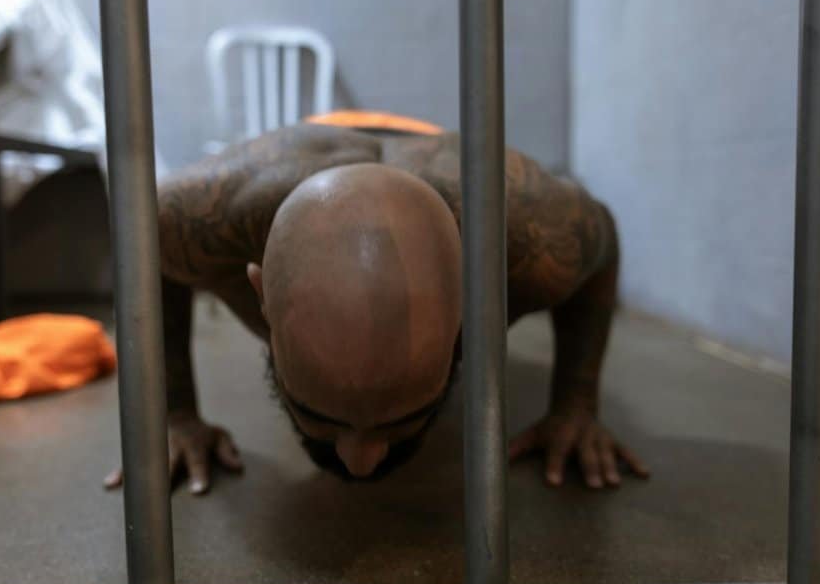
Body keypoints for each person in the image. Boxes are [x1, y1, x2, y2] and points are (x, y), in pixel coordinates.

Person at [104, 117, 649, 494]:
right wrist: (174, 413)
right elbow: (145, 259)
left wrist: (576, 404)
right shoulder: (197, 216)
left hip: (432, 146)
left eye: (403, 421)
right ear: (260, 294)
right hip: (312, 140)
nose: (359, 461)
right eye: (317, 417)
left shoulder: (532, 235)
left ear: (471, 303)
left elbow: (602, 246)